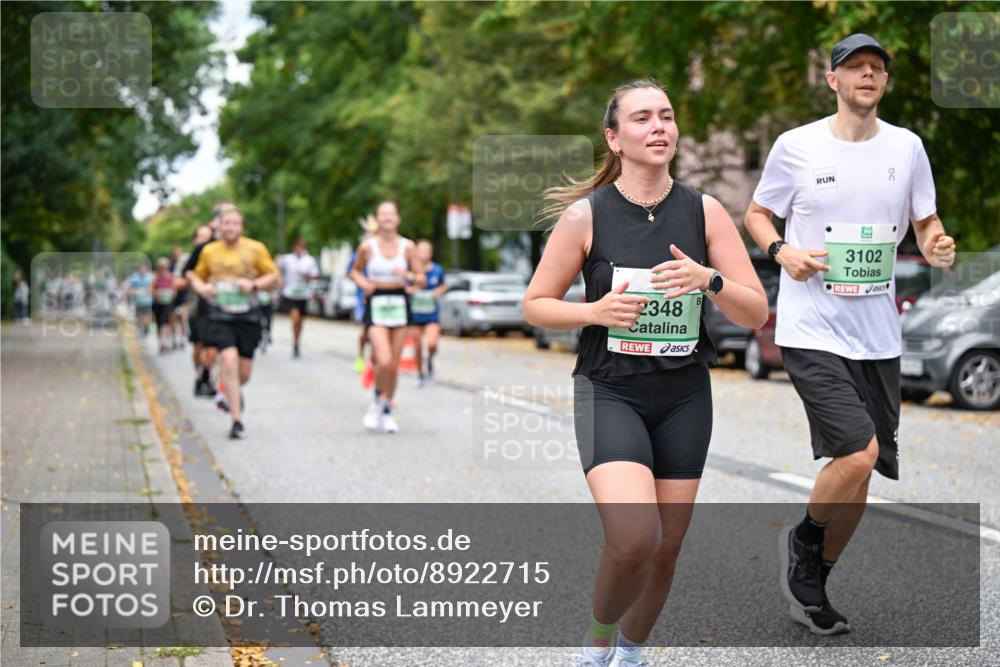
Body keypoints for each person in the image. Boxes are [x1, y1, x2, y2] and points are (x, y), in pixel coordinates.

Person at [525, 79, 767, 667]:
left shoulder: (704, 210)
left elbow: (756, 310)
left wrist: (708, 280)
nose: (658, 126)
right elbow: (536, 304)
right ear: (614, 138)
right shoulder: (588, 216)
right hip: (610, 389)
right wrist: (594, 311)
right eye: (641, 118)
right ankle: (598, 642)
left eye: (666, 115)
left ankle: (631, 653)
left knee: (666, 549)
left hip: (684, 393)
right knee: (636, 539)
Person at [743, 34, 956, 636]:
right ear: (831, 79)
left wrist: (937, 244)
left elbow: (926, 221)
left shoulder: (907, 147)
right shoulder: (797, 146)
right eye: (854, 67)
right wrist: (782, 251)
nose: (867, 75)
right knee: (857, 451)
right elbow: (759, 214)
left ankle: (813, 587)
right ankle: (805, 541)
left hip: (878, 334)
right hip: (811, 327)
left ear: (885, 83)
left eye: (877, 68)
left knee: (863, 473)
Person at [190, 205, 280, 440]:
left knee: (244, 372)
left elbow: (274, 276)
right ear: (219, 226)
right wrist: (204, 289)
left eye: (235, 223)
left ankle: (230, 390)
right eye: (226, 223)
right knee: (228, 359)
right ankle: (237, 420)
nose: (230, 227)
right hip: (219, 315)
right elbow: (195, 276)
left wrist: (254, 285)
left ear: (241, 226)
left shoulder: (255, 248)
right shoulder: (209, 251)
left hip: (248, 315)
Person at [348, 201, 425, 434]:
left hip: (400, 302)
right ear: (377, 219)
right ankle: (376, 402)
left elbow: (421, 278)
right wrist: (364, 284)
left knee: (393, 365)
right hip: (376, 302)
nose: (388, 217)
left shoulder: (408, 247)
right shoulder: (367, 247)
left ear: (398, 218)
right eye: (383, 214)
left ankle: (386, 410)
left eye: (392, 213)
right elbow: (353, 270)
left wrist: (408, 275)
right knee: (383, 359)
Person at [180, 224, 218, 397]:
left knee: (212, 348)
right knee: (198, 347)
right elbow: (178, 281)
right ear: (196, 239)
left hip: (214, 307)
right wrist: (194, 279)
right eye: (201, 237)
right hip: (195, 307)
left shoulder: (215, 253)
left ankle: (206, 377)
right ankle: (200, 376)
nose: (204, 240)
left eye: (207, 236)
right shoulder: (189, 258)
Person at [407, 239, 447, 385]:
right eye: (421, 251)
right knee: (417, 346)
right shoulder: (410, 271)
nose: (424, 254)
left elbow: (444, 286)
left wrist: (438, 292)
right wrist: (413, 291)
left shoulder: (437, 270)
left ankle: (429, 359)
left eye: (427, 251)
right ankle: (419, 374)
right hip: (415, 314)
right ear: (416, 253)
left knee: (432, 343)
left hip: (431, 313)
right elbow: (404, 287)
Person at [277, 237, 320, 358]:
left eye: (302, 245)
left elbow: (316, 276)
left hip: (303, 294)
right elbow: (277, 269)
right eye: (297, 245)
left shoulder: (309, 260)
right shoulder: (287, 259)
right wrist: (280, 279)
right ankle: (294, 341)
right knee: (295, 318)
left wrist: (306, 275)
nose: (299, 248)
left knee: (300, 322)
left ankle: (296, 341)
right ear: (294, 246)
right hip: (290, 293)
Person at [151, 258, 177, 354]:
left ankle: (166, 343)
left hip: (168, 303)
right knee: (159, 324)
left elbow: (174, 290)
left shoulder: (170, 277)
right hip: (158, 304)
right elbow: (151, 289)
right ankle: (161, 343)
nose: (163, 269)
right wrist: (157, 293)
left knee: (167, 323)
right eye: (161, 267)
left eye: (165, 267)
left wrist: (169, 294)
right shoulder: (156, 277)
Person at [127, 263, 154, 336]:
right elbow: (130, 288)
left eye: (144, 269)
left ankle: (146, 328)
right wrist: (134, 291)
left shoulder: (150, 277)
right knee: (139, 316)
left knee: (147, 315)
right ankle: (141, 327)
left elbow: (152, 287)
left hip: (147, 301)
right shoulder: (134, 277)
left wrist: (148, 290)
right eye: (141, 269)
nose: (142, 271)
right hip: (138, 301)